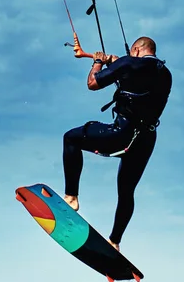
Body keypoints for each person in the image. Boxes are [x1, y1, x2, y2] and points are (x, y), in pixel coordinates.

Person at [62, 36, 172, 252]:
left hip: (121, 133)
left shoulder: (129, 63)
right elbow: (127, 64)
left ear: (136, 50)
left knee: (71, 138)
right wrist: (103, 57)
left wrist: (97, 62)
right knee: (126, 191)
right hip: (146, 140)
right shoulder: (165, 74)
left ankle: (71, 197)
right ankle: (115, 241)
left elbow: (93, 83)